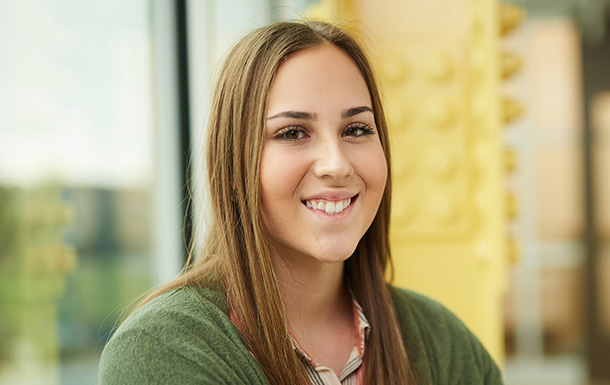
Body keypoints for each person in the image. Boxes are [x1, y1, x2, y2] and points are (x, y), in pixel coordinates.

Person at [98, 20, 503, 385]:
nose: (336, 164)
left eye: (357, 129)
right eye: (293, 133)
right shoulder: (162, 349)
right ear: (234, 165)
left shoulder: (442, 341)